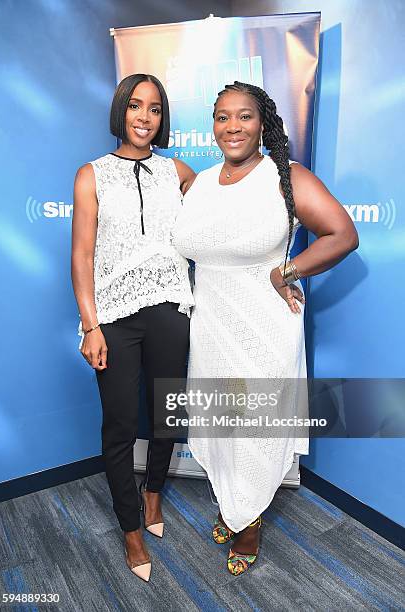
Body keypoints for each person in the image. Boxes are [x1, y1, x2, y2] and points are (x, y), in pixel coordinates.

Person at [172, 81, 358, 576]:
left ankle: (247, 520)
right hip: (210, 325)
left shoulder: (286, 177)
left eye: (244, 116)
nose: (232, 126)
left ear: (263, 123)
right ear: (212, 124)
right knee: (218, 424)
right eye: (222, 117)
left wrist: (287, 271)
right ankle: (233, 505)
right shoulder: (200, 183)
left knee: (252, 428)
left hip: (262, 328)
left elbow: (343, 233)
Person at [71, 73, 195, 582]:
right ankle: (130, 531)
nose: (145, 117)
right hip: (116, 318)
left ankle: (153, 496)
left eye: (155, 109)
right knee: (121, 426)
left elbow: (217, 223)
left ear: (162, 119)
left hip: (170, 309)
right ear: (121, 110)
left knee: (166, 412)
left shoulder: (178, 172)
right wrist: (90, 325)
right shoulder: (91, 175)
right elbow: (82, 255)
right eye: (136, 106)